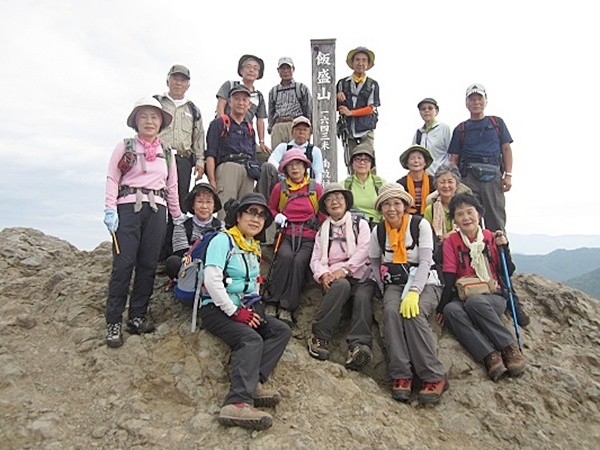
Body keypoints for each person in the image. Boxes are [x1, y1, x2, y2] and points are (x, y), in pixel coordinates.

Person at [199, 192, 291, 430]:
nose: (256, 219)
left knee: (280, 330)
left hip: (243, 307)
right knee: (250, 339)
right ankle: (237, 402)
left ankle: (254, 383)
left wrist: (251, 308)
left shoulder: (252, 246)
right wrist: (234, 312)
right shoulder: (223, 240)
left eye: (261, 215)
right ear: (238, 216)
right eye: (251, 212)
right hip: (216, 309)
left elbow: (253, 284)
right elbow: (212, 280)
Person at [103, 97, 185, 348]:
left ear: (161, 122)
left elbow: (172, 186)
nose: (149, 121)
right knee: (123, 265)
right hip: (128, 209)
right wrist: (110, 209)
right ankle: (113, 322)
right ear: (135, 121)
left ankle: (137, 316)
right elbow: (112, 178)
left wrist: (177, 216)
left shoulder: (167, 153)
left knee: (148, 264)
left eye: (154, 117)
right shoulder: (125, 146)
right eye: (144, 116)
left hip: (157, 211)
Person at [369, 183, 448, 405]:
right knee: (391, 312)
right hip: (395, 282)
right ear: (380, 208)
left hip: (426, 280)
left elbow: (426, 261)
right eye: (386, 204)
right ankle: (401, 374)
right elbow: (374, 261)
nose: (392, 209)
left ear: (405, 206)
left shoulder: (419, 225)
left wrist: (414, 292)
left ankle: (433, 375)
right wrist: (382, 286)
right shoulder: (379, 231)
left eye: (396, 203)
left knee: (414, 313)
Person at [435, 193, 526, 381]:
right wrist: (442, 306)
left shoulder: (491, 237)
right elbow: (450, 274)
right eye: (460, 214)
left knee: (475, 302)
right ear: (454, 220)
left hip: (493, 295)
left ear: (479, 214)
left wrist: (504, 248)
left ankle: (509, 347)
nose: (466, 217)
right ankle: (489, 356)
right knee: (452, 311)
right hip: (463, 295)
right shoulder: (451, 241)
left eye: (470, 212)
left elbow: (507, 270)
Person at [307, 183, 377, 371]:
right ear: (325, 206)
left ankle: (359, 346)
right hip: (335, 276)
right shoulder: (323, 230)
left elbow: (365, 250)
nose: (335, 202)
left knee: (362, 296)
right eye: (329, 199)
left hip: (362, 274)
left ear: (346, 201)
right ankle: (319, 337)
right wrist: (323, 274)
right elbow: (316, 258)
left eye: (338, 197)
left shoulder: (359, 223)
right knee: (341, 286)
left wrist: (346, 269)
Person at [266, 149, 324, 325]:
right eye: (290, 165)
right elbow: (271, 208)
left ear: (305, 167)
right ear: (285, 169)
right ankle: (272, 302)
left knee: (299, 262)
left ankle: (287, 307)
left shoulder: (315, 188)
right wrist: (277, 216)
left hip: (309, 236)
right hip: (286, 233)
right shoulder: (280, 188)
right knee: (285, 257)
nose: (295, 168)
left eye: (298, 164)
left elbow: (322, 215)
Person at [155, 65, 206, 263]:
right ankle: (155, 253)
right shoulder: (157, 103)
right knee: (157, 203)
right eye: (175, 78)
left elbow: (198, 137)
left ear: (188, 85)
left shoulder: (193, 109)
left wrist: (200, 161)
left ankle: (171, 253)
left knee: (179, 206)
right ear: (167, 80)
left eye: (183, 80)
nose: (178, 83)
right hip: (158, 158)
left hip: (183, 160)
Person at [448, 83, 513, 232]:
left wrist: (508, 175)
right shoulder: (461, 129)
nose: (476, 102)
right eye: (472, 99)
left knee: (496, 221)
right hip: (468, 178)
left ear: (486, 100)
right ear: (466, 103)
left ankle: (499, 247)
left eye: (479, 98)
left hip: (493, 177)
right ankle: (473, 248)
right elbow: (454, 158)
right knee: (470, 220)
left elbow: (506, 149)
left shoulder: (497, 123)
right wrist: (455, 182)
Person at [205, 84, 257, 220]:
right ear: (229, 102)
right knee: (225, 212)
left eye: (244, 100)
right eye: (237, 99)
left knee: (245, 214)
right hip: (227, 167)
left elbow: (254, 157)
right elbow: (210, 154)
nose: (241, 103)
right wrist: (212, 181)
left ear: (249, 105)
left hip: (247, 172)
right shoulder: (219, 123)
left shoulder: (250, 129)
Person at [215, 55, 270, 164]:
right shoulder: (230, 85)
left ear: (259, 74)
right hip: (228, 131)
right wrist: (222, 126)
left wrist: (261, 142)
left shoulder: (258, 96)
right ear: (241, 70)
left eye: (255, 68)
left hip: (246, 134)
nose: (251, 70)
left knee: (266, 158)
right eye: (248, 67)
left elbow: (260, 120)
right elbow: (220, 105)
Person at [165, 182, 222, 280]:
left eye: (208, 202)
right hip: (189, 266)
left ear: (214, 206)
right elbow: (181, 253)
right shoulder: (182, 225)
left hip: (213, 265)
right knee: (173, 262)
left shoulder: (221, 227)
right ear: (193, 205)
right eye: (200, 201)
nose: (204, 206)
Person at [336, 46, 380, 173]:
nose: (360, 63)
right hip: (348, 130)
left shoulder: (372, 84)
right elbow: (332, 106)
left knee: (369, 161)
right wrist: (336, 97)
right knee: (351, 162)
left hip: (366, 129)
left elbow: (371, 108)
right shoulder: (342, 83)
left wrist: (351, 113)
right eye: (357, 60)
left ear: (368, 63)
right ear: (352, 62)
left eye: (364, 60)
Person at [267, 57, 312, 150]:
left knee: (298, 154)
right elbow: (271, 112)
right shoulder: (274, 90)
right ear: (278, 70)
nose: (285, 71)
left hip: (296, 124)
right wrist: (271, 128)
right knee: (278, 155)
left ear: (293, 69)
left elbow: (309, 109)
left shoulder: (301, 88)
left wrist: (308, 130)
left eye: (288, 68)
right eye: (282, 68)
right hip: (278, 125)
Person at [423, 163, 471, 241]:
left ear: (457, 185)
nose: (446, 186)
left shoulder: (466, 207)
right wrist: (444, 238)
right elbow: (427, 237)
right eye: (442, 182)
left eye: (450, 182)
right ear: (436, 185)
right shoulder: (430, 210)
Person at [342, 142, 386, 227]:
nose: (362, 163)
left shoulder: (380, 183)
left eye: (366, 160)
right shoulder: (345, 184)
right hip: (353, 226)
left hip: (377, 226)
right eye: (358, 159)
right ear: (352, 163)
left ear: (371, 164)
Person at [412, 98, 451, 176]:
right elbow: (413, 154)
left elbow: (451, 153)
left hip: (441, 176)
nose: (427, 111)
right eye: (423, 109)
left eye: (430, 108)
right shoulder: (419, 133)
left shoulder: (443, 128)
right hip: (424, 177)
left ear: (436, 111)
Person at [396, 145, 434, 216]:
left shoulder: (433, 182)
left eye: (419, 158)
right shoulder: (400, 184)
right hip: (407, 217)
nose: (416, 161)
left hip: (430, 216)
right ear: (407, 163)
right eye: (412, 158)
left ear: (425, 162)